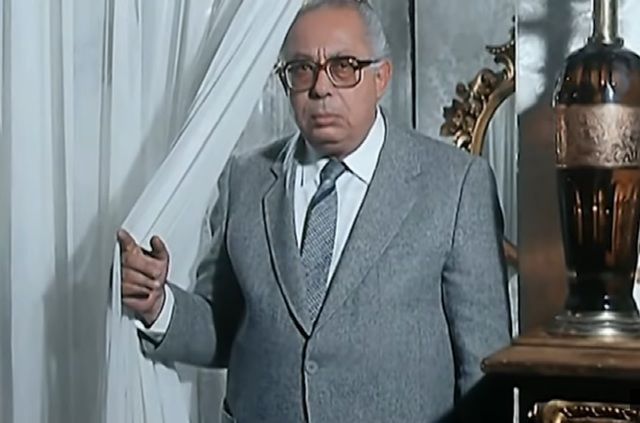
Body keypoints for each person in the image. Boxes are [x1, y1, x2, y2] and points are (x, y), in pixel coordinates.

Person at [117, 0, 511, 421]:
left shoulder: (455, 185)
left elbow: (485, 369)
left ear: (381, 77)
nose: (321, 88)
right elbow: (225, 326)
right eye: (302, 69)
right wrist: (158, 304)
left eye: (343, 66)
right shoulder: (244, 180)